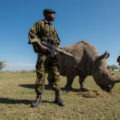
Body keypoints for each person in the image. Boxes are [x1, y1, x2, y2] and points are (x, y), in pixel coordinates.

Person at [28, 8, 64, 107]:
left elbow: (57, 41)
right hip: (43, 55)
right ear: (47, 14)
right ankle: (38, 98)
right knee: (40, 75)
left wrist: (59, 50)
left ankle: (58, 97)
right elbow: (31, 34)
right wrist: (40, 46)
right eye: (53, 14)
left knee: (56, 75)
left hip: (53, 55)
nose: (55, 16)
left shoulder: (53, 27)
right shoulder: (39, 24)